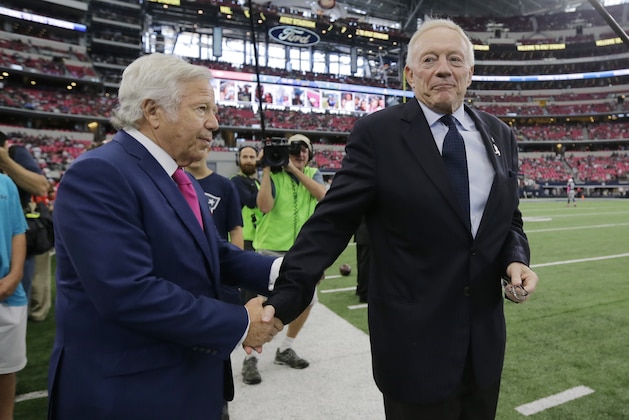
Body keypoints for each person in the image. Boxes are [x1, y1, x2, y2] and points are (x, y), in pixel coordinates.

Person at [264, 19, 539, 419]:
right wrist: (286, 297)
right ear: (410, 75)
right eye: (430, 59)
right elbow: (332, 222)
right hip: (412, 347)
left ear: (470, 72)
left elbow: (508, 219)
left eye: (454, 59)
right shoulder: (379, 133)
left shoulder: (500, 134)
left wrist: (515, 259)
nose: (443, 68)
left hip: (483, 343)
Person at [47, 53, 283, 420]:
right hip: (131, 395)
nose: (214, 123)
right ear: (153, 111)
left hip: (187, 382)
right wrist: (240, 323)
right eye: (202, 108)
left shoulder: (176, 175)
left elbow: (209, 253)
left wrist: (280, 271)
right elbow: (128, 292)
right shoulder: (99, 174)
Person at [241, 134, 327, 385]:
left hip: (302, 252)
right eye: (294, 149)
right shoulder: (273, 174)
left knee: (308, 300)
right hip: (270, 249)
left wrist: (293, 169)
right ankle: (250, 359)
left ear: (310, 153)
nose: (300, 153)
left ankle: (286, 347)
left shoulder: (313, 173)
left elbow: (323, 195)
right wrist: (267, 170)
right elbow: (264, 206)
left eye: (305, 149)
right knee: (261, 304)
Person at [185, 145, 245, 420]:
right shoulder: (175, 182)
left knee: (215, 350)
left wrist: (238, 274)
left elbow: (234, 231)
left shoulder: (223, 185)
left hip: (218, 280)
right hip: (185, 285)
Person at [0, 135, 50, 302]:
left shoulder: (15, 153)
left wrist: (5, 161)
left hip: (15, 232)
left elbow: (41, 187)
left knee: (16, 289)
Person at [0, 172, 28, 420]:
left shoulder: (5, 182)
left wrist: (16, 274)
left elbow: (18, 230)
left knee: (6, 371)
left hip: (8, 296)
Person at [354, 217, 370, 303]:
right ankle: (364, 293)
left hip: (361, 231)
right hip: (368, 232)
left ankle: (360, 288)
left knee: (361, 262)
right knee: (365, 264)